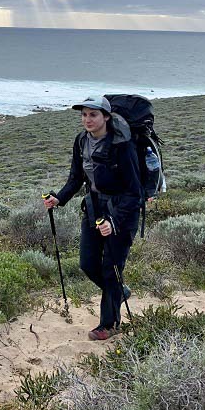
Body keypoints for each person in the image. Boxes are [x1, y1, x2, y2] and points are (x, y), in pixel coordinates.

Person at [44, 95, 143, 340]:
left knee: (111, 269)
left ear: (106, 117)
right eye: (84, 114)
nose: (87, 119)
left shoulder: (122, 145)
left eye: (93, 114)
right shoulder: (81, 141)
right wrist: (60, 198)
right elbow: (76, 178)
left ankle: (109, 325)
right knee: (87, 263)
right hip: (93, 207)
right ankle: (119, 292)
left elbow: (135, 192)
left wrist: (114, 220)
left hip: (120, 209)